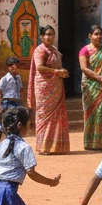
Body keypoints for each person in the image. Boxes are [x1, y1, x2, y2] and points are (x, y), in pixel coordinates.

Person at [27, 25, 70, 154]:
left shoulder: (54, 50)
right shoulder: (40, 50)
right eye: (46, 34)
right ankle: (44, 146)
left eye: (51, 34)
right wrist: (57, 71)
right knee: (44, 116)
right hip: (44, 87)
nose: (49, 37)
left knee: (57, 116)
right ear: (41, 37)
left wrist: (62, 73)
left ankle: (56, 146)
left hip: (56, 85)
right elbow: (40, 67)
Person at [79, 25, 102, 151]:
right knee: (91, 113)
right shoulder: (84, 51)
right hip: (90, 87)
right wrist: (101, 79)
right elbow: (84, 68)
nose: (98, 36)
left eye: (100, 34)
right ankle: (91, 143)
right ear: (90, 36)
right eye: (95, 34)